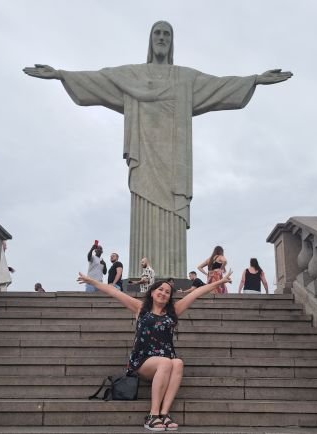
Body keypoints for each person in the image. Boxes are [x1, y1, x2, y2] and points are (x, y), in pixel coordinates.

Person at [23, 21, 293, 280]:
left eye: (166, 34)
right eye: (157, 34)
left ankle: (171, 275)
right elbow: (99, 79)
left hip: (175, 162)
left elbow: (219, 85)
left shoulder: (185, 78)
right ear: (151, 41)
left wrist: (254, 80)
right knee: (143, 205)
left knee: (172, 209)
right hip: (144, 156)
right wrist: (60, 74)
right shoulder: (133, 75)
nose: (162, 38)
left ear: (171, 41)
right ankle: (143, 276)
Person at [76, 269, 232, 431]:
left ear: (169, 297)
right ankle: (152, 415)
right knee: (166, 362)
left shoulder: (173, 312)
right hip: (142, 361)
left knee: (177, 363)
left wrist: (220, 282)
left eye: (167, 292)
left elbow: (196, 293)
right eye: (160, 290)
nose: (163, 293)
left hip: (166, 362)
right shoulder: (140, 308)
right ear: (152, 292)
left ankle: (164, 414)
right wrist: (92, 281)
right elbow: (113, 292)